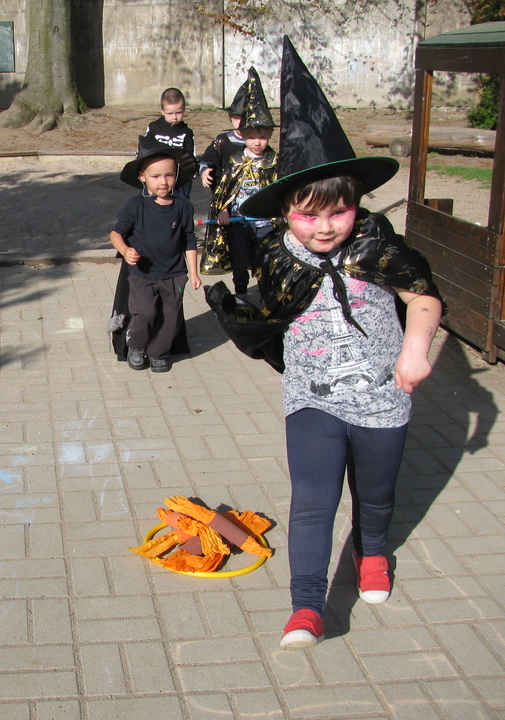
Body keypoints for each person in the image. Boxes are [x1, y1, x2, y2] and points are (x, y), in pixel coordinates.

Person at [206, 37, 444, 651]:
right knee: (312, 501)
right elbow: (275, 315)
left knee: (376, 494)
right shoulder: (276, 255)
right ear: (287, 210)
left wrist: (416, 349)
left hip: (384, 394)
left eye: (338, 212)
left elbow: (424, 297)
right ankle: (307, 606)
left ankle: (373, 552)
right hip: (312, 396)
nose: (324, 226)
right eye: (308, 215)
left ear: (356, 204)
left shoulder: (376, 242)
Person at [109, 135, 201, 373]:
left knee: (171, 317)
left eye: (169, 175)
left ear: (176, 176)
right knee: (145, 313)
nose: (163, 182)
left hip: (174, 274)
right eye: (155, 176)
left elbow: (189, 240)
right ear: (142, 177)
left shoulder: (183, 207)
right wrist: (124, 250)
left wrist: (194, 273)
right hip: (143, 274)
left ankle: (159, 352)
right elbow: (116, 233)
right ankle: (136, 346)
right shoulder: (136, 205)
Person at [200, 68, 277, 304]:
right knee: (240, 260)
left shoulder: (274, 160)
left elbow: (280, 190)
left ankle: (267, 295)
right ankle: (241, 294)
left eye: (262, 136)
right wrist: (223, 210)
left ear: (270, 134)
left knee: (266, 259)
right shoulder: (235, 160)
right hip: (238, 221)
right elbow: (225, 190)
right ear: (242, 135)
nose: (257, 142)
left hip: (265, 223)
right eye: (252, 136)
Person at [143, 87, 196, 201]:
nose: (175, 117)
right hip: (157, 179)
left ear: (184, 109)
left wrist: (189, 175)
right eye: (170, 113)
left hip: (180, 181)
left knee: (181, 205)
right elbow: (143, 150)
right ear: (162, 110)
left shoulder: (186, 132)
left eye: (178, 112)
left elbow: (191, 157)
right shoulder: (154, 128)